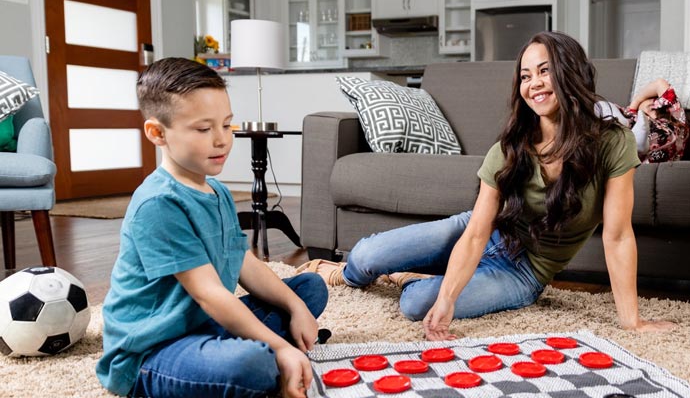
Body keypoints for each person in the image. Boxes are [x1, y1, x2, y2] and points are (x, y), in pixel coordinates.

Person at [298, 31, 676, 341]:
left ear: (569, 74)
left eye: (545, 71)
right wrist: (451, 293)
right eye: (526, 76)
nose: (535, 84)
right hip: (485, 233)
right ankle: (343, 273)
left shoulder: (612, 141)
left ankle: (417, 275)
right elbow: (477, 231)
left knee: (416, 304)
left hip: (525, 271)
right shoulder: (510, 147)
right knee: (364, 258)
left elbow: (618, 236)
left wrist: (632, 321)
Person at [96, 58, 328, 398]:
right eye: (204, 130)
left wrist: (295, 308)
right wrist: (280, 349)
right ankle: (253, 353)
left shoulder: (216, 190)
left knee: (309, 290)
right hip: (153, 349)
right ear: (157, 133)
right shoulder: (158, 203)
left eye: (226, 125)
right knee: (253, 366)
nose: (221, 140)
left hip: (204, 323)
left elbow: (244, 262)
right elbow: (210, 292)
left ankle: (247, 343)